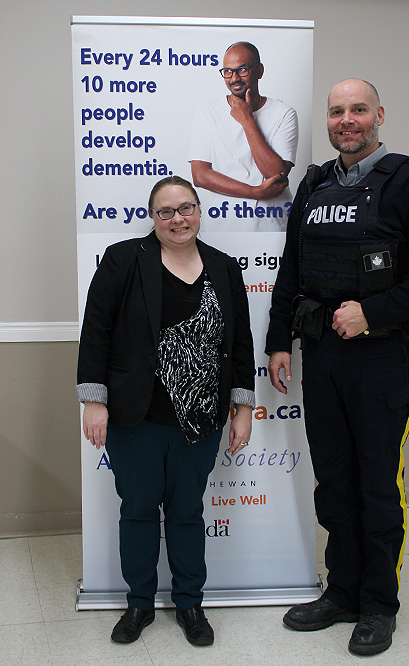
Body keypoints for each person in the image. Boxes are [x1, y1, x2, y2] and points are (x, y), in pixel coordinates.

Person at [265, 79, 409, 656]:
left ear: (378, 115)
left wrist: (371, 313)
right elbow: (291, 271)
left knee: (377, 484)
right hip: (321, 359)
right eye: (337, 111)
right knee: (335, 481)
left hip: (379, 361)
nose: (348, 120)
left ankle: (378, 604)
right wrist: (279, 343)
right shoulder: (317, 183)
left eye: (359, 110)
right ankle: (342, 589)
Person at [77, 176, 255, 646]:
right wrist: (94, 400)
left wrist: (242, 407)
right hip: (135, 417)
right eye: (166, 211)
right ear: (152, 217)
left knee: (187, 512)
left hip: (200, 419)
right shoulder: (123, 261)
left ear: (199, 211)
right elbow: (95, 330)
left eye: (186, 208)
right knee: (137, 510)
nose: (178, 218)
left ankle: (190, 604)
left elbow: (238, 345)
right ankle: (138, 604)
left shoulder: (224, 267)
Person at [189, 41, 298, 231]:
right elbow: (200, 175)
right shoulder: (207, 112)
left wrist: (247, 120)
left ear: (260, 71)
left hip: (272, 226)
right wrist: (255, 192)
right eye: (228, 71)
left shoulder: (283, 113)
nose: (234, 78)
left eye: (242, 69)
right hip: (224, 227)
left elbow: (275, 174)